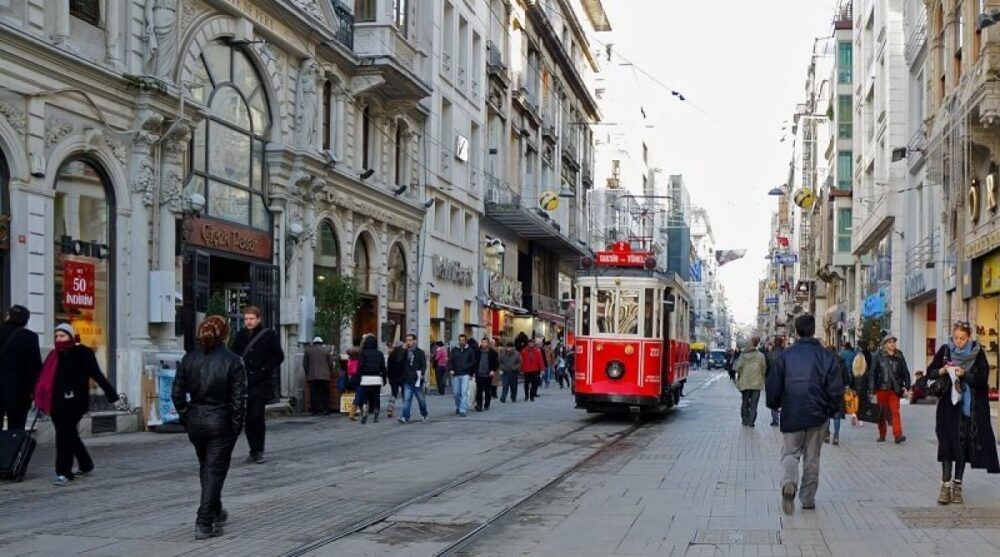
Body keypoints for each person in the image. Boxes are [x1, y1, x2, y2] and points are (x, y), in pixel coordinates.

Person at [171, 315, 247, 540]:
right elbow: (239, 399)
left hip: (197, 422)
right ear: (226, 334)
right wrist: (236, 426)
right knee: (213, 470)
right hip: (220, 423)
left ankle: (214, 508)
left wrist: (186, 416)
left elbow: (176, 393)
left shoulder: (189, 358)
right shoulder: (233, 361)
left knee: (207, 467)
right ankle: (204, 520)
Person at [766, 315, 843, 515]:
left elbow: (774, 384)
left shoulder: (786, 355)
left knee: (790, 453)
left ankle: (789, 482)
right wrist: (832, 409)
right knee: (812, 457)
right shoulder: (826, 356)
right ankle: (808, 499)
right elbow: (835, 388)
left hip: (792, 412)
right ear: (813, 330)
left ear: (797, 332)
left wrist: (774, 404)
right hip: (818, 414)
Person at [34, 323, 119, 486]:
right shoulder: (54, 355)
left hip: (76, 402)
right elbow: (43, 378)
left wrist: (112, 395)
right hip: (56, 402)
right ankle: (86, 464)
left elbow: (97, 374)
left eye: (63, 336)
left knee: (63, 436)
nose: (59, 339)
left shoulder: (83, 353)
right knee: (69, 434)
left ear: (71, 337)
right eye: (57, 336)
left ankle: (63, 472)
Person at [926, 321, 999, 505]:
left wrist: (964, 374)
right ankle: (945, 487)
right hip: (947, 410)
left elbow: (982, 381)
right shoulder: (945, 351)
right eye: (956, 338)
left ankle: (957, 487)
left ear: (969, 337)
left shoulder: (977, 354)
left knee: (961, 449)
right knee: (946, 447)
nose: (959, 342)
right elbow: (930, 373)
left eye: (962, 338)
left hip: (967, 411)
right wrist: (943, 370)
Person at [230, 306, 283, 464]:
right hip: (244, 381)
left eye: (251, 318)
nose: (248, 322)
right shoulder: (240, 336)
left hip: (260, 381)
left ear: (258, 319)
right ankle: (253, 450)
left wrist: (265, 369)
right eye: (246, 319)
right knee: (247, 417)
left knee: (257, 415)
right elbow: (233, 355)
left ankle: (259, 450)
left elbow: (278, 356)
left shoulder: (268, 335)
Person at [0, 305, 42, 431]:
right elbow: (35, 369)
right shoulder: (30, 338)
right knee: (16, 429)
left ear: (9, 316)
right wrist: (36, 393)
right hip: (18, 393)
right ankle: (12, 450)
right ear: (26, 320)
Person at [867, 333, 911, 444]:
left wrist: (907, 386)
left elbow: (906, 372)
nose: (892, 344)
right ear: (885, 344)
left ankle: (898, 435)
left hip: (894, 389)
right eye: (889, 342)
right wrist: (871, 389)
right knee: (881, 413)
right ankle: (882, 434)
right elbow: (872, 373)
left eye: (894, 342)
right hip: (881, 388)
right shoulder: (878, 356)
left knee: (895, 412)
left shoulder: (899, 355)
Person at [735, 337, 766, 427]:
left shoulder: (743, 355)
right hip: (757, 383)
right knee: (754, 404)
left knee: (745, 402)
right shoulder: (761, 356)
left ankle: (745, 420)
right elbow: (763, 369)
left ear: (749, 344)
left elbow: (738, 367)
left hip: (745, 382)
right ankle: (751, 422)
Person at [398, 333, 428, 424]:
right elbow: (398, 361)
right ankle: (405, 417)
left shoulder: (420, 352)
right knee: (407, 399)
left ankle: (424, 414)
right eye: (407, 340)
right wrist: (402, 349)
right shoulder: (404, 352)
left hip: (417, 379)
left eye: (410, 340)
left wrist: (422, 373)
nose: (409, 342)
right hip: (407, 379)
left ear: (415, 341)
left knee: (421, 399)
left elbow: (423, 365)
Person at [826, 344, 851, 446]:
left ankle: (827, 434)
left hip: (826, 391)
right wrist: (846, 385)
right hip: (839, 391)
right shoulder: (841, 362)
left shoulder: (824, 363)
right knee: (837, 414)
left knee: (826, 414)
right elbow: (846, 377)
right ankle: (836, 436)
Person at [357, 335, 386, 423]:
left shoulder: (363, 353)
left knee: (365, 397)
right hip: (376, 378)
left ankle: (365, 413)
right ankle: (376, 415)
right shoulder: (379, 353)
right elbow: (383, 368)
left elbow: (360, 367)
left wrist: (359, 377)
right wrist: (384, 379)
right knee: (376, 397)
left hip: (365, 378)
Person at [303, 337, 333, 415]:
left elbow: (305, 364)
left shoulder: (308, 350)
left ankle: (314, 410)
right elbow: (330, 363)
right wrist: (329, 371)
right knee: (325, 393)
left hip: (312, 375)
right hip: (324, 376)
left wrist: (307, 372)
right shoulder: (326, 350)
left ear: (314, 343)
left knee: (314, 393)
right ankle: (326, 409)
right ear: (321, 343)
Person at [449, 334, 477, 417]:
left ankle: (462, 410)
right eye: (460, 340)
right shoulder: (454, 350)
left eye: (463, 340)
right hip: (456, 374)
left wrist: (468, 369)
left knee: (464, 392)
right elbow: (450, 360)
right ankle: (458, 406)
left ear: (465, 341)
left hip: (465, 374)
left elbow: (473, 361)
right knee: (456, 393)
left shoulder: (470, 350)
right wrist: (451, 369)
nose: (461, 342)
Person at [474, 337, 498, 411]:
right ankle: (479, 405)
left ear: (488, 343)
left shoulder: (492, 352)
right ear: (481, 343)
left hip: (488, 374)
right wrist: (473, 372)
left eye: (485, 342)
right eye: (482, 342)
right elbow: (474, 362)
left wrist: (493, 370)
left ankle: (486, 404)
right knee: (479, 390)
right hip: (479, 374)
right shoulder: (477, 351)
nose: (484, 344)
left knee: (487, 390)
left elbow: (496, 363)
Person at [764, 337, 785, 427]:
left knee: (774, 399)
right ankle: (784, 419)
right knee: (784, 400)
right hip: (785, 380)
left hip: (772, 380)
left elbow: (766, 370)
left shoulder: (769, 355)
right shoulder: (786, 354)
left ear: (774, 344)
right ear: (782, 343)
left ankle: (775, 420)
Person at [386, 341, 406, 417]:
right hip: (403, 377)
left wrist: (389, 377)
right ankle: (406, 410)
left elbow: (388, 368)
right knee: (405, 394)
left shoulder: (391, 355)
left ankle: (390, 409)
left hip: (393, 377)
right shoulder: (404, 354)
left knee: (394, 393)